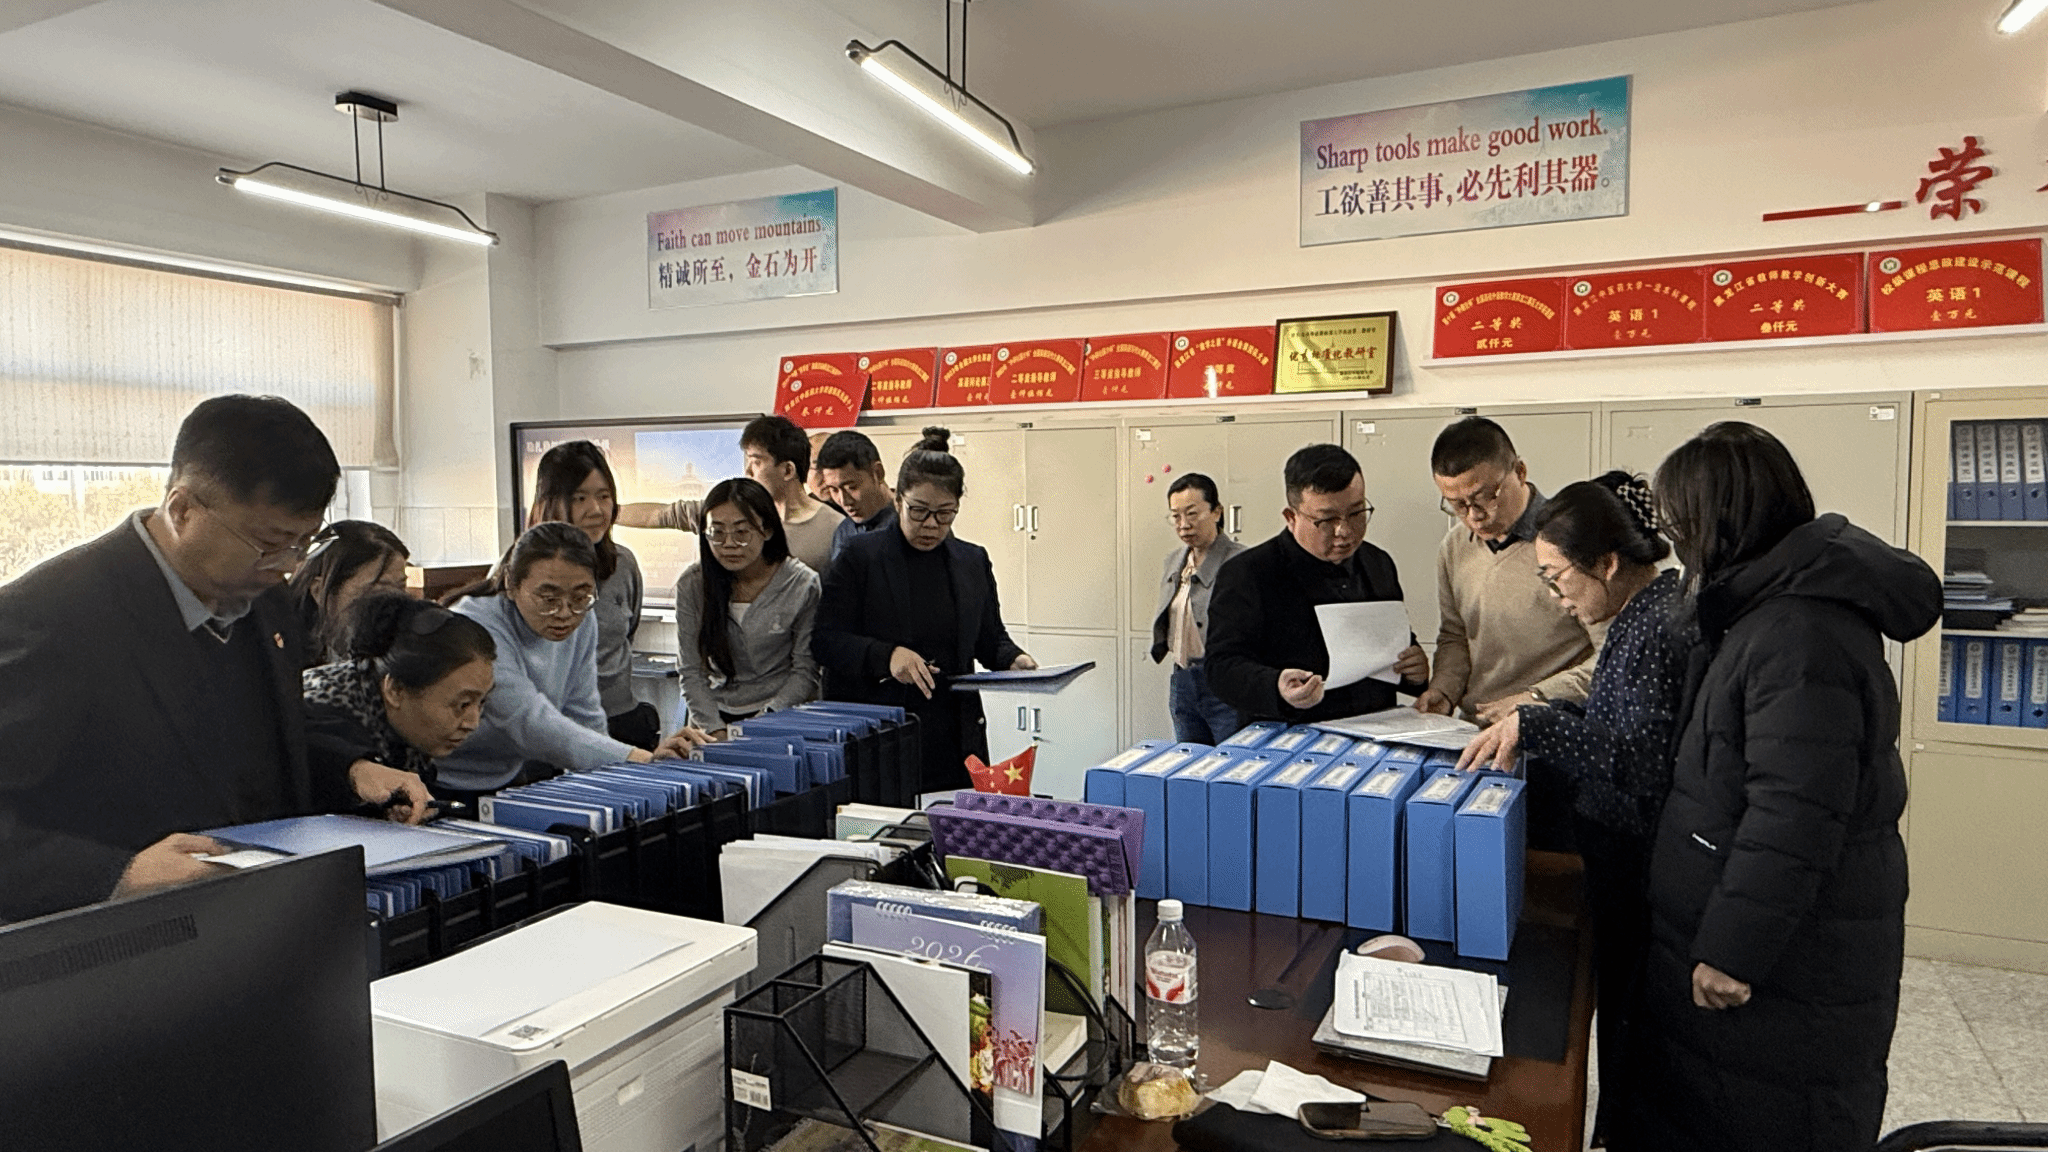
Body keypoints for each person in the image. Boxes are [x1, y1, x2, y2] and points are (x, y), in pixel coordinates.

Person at [1627, 423, 1939, 1151]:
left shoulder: (1798, 633)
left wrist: (1733, 949)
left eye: (1679, 524)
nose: (1676, 543)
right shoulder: (1763, 607)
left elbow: (1794, 814)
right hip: (1764, 945)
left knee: (1769, 1118)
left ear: (1719, 520)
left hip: (1790, 966)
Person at [0, 395, 431, 922]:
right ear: (183, 510)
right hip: (128, 932)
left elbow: (255, 736)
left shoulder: (261, 595)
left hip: (256, 911)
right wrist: (116, 875)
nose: (287, 566)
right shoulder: (50, 616)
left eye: (303, 544)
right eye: (270, 542)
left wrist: (351, 769)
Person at [1456, 472, 1696, 1152]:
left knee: (1633, 1031)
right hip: (1619, 859)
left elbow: (1641, 761)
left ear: (1608, 564)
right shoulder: (1640, 613)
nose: (1559, 598)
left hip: (1640, 868)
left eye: (1558, 578)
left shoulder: (1653, 627)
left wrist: (1538, 723)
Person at [813, 427, 1037, 793]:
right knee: (881, 825)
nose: (931, 525)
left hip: (953, 734)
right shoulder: (861, 557)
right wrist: (888, 656)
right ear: (898, 501)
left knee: (954, 823)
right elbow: (825, 641)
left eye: (944, 514)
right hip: (883, 734)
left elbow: (989, 638)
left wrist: (1014, 659)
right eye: (918, 511)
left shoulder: (971, 560)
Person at [438, 522, 696, 798]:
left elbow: (586, 715)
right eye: (548, 599)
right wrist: (637, 758)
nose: (565, 613)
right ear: (511, 584)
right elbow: (526, 720)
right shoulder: (477, 625)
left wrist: (620, 776)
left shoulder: (583, 621)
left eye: (580, 597)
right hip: (443, 779)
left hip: (508, 772)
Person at [1205, 444, 1429, 724]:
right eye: (1327, 520)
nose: (1344, 531)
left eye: (1356, 513)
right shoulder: (1248, 573)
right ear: (1291, 517)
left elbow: (1393, 641)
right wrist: (1276, 686)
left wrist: (1414, 672)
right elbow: (1221, 667)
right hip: (1291, 732)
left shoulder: (1377, 562)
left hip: (1375, 727)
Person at [1417, 417, 1601, 724]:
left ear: (1520, 471)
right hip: (1475, 726)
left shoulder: (1571, 541)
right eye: (1457, 505)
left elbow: (1611, 655)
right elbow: (1455, 636)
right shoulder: (1454, 547)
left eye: (1484, 497)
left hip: (1551, 725)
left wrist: (1537, 697)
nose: (1474, 516)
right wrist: (1444, 690)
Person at [304, 591, 497, 820]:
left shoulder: (398, 724)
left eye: (481, 702)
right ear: (395, 690)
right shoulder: (316, 725)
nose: (473, 723)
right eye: (462, 704)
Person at [528, 440, 659, 750]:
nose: (596, 510)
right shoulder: (521, 570)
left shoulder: (623, 564)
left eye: (604, 496)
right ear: (551, 503)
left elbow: (625, 636)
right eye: (580, 498)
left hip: (619, 720)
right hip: (553, 730)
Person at [673, 477, 822, 736]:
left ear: (767, 530)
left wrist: (760, 726)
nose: (729, 544)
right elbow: (691, 671)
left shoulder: (801, 584)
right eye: (717, 533)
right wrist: (715, 731)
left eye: (741, 532)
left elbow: (805, 671)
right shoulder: (693, 583)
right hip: (712, 717)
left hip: (781, 715)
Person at [618, 415, 846, 577]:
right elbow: (661, 515)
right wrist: (607, 512)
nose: (748, 472)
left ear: (787, 470)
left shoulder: (835, 528)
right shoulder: (730, 510)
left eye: (756, 462)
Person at [1149, 473, 1248, 743]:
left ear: (1217, 512)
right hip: (1183, 679)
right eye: (1176, 516)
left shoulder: (1242, 562)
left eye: (1192, 514)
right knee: (1189, 760)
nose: (1184, 525)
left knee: (1230, 761)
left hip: (1224, 680)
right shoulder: (1174, 561)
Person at [286, 519, 410, 669]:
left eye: (401, 587)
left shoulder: (405, 646)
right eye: (379, 592)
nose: (396, 604)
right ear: (319, 590)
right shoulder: (282, 653)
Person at [815, 430, 898, 562]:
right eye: (834, 490)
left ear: (878, 473)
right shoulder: (844, 532)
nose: (843, 501)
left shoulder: (912, 526)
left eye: (851, 487)